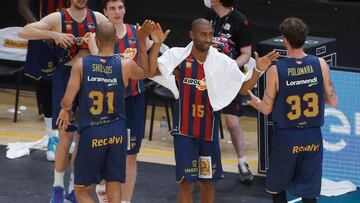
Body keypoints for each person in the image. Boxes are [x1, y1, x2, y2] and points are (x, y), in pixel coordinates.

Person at [148, 18, 278, 203]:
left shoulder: (221, 62)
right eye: (203, 34)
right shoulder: (179, 58)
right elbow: (151, 70)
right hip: (184, 132)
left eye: (210, 34)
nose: (208, 38)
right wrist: (157, 45)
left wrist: (258, 69)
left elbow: (242, 88)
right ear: (192, 35)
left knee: (207, 183)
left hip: (208, 133)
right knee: (186, 182)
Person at [56, 20, 167, 203]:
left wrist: (65, 110)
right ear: (116, 39)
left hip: (92, 131)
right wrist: (150, 43)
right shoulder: (124, 64)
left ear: (96, 40)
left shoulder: (81, 64)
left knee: (81, 190)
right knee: (113, 184)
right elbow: (148, 71)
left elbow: (68, 100)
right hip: (117, 131)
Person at [19, 0, 108, 202]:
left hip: (91, 78)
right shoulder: (58, 17)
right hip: (66, 77)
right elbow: (25, 32)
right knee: (65, 135)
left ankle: (73, 188)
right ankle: (57, 188)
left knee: (82, 138)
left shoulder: (98, 18)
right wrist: (53, 34)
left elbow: (114, 40)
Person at [247, 17, 338, 203]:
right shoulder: (320, 64)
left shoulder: (276, 69)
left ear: (285, 40)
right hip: (313, 136)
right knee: (309, 192)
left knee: (278, 188)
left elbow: (265, 109)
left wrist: (254, 101)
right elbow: (333, 101)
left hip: (287, 137)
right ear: (305, 39)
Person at [204, 0, 254, 183]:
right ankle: (212, 164)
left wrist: (230, 67)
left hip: (231, 80)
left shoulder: (241, 21)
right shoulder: (209, 18)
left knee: (232, 123)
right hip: (209, 79)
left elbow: (246, 54)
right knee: (209, 124)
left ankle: (242, 162)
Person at [18, 0, 71, 161]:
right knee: (44, 85)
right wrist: (43, 31)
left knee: (69, 85)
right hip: (41, 36)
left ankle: (68, 134)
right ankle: (52, 137)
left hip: (67, 36)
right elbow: (23, 6)